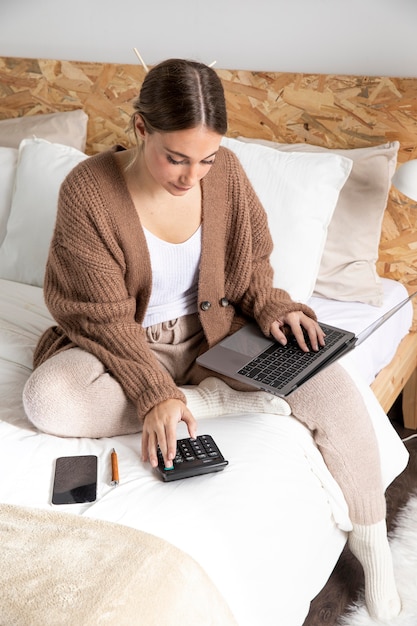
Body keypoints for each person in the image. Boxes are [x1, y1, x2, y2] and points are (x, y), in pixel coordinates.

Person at [23, 58, 401, 621]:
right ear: (140, 127)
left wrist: (273, 308)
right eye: (175, 157)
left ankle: (376, 558)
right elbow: (101, 318)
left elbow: (250, 268)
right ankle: (207, 401)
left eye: (206, 158)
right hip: (126, 344)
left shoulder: (226, 176)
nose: (191, 175)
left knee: (335, 390)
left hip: (216, 338)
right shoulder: (89, 192)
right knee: (50, 397)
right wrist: (156, 393)